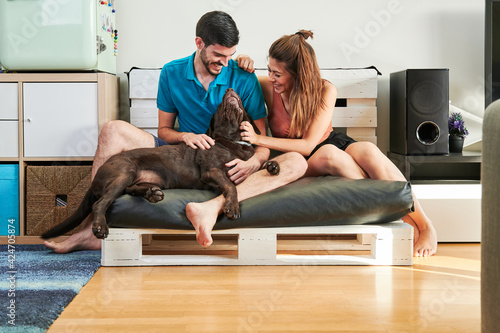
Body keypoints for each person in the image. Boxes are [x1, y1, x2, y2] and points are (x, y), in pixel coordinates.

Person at [44, 11, 307, 252]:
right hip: (179, 153)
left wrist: (255, 163)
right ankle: (90, 230)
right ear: (199, 43)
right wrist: (185, 136)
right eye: (219, 55)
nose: (226, 63)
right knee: (113, 129)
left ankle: (207, 207)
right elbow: (164, 130)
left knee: (294, 162)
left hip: (223, 158)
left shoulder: (243, 77)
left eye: (231, 55)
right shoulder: (172, 72)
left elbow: (259, 141)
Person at [236, 30, 438, 257]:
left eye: (278, 74)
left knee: (368, 150)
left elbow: (310, 142)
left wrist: (258, 139)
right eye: (270, 71)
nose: (272, 77)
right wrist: (242, 60)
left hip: (324, 143)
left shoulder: (325, 89)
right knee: (329, 155)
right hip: (300, 157)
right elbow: (238, 77)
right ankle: (400, 214)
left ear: (298, 74)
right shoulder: (268, 86)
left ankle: (424, 223)